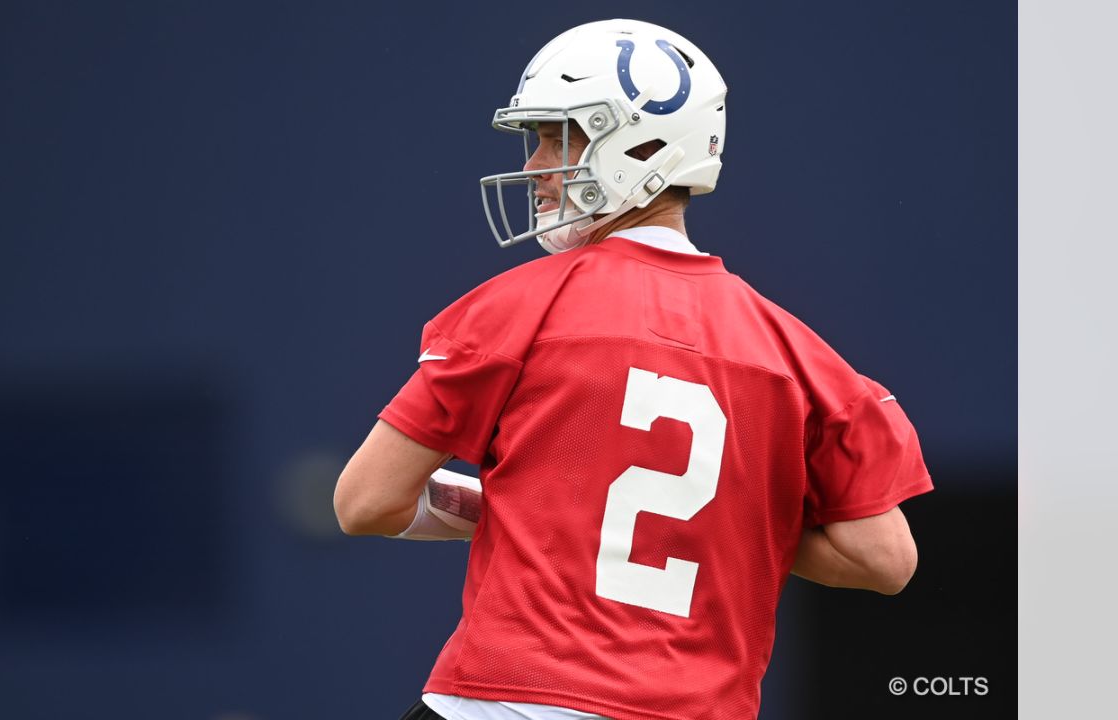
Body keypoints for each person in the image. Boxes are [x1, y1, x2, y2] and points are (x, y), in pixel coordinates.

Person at [333, 18, 931, 720]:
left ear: (641, 145)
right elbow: (883, 560)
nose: (534, 166)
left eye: (559, 137)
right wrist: (717, 517)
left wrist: (524, 508)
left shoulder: (522, 307)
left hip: (509, 698)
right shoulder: (800, 356)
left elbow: (364, 502)